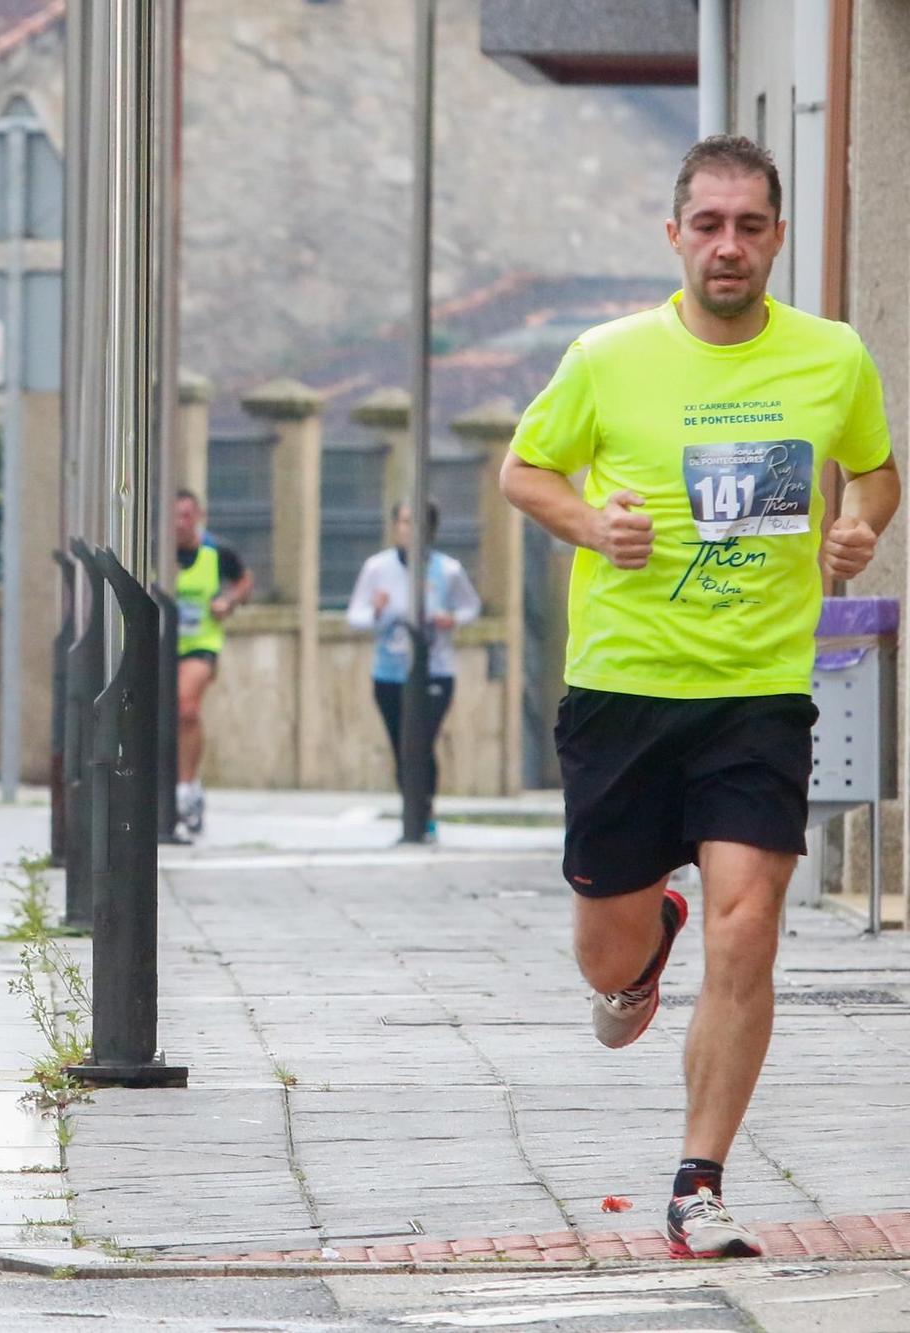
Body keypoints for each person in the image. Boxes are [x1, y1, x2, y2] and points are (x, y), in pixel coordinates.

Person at [501, 135, 897, 1259]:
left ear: (776, 237)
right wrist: (588, 523)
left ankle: (697, 1181)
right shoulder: (605, 357)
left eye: (749, 226)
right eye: (707, 225)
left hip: (757, 691)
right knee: (604, 964)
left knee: (750, 925)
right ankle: (643, 942)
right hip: (622, 689)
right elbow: (521, 470)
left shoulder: (830, 359)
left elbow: (874, 468)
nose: (728, 245)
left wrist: (861, 524)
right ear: (673, 235)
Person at [346, 500, 481, 839]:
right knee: (401, 744)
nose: (410, 529)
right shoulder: (378, 568)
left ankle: (424, 812)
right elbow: (355, 616)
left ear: (432, 529)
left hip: (435, 670)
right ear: (395, 526)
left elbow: (470, 607)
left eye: (418, 522)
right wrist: (375, 613)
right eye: (405, 521)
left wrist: (451, 620)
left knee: (420, 740)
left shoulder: (447, 570)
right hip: (390, 672)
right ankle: (412, 811)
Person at [172, 490, 251, 839]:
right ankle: (168, 783)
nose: (181, 523)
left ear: (199, 515)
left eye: (187, 515)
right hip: (162, 644)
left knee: (186, 706)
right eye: (175, 516)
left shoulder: (216, 552)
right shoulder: (158, 552)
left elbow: (244, 580)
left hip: (202, 643)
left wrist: (228, 601)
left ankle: (186, 788)